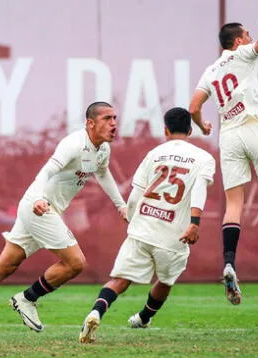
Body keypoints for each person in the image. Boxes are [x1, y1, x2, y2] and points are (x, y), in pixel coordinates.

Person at [0, 102, 127, 334]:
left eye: (115, 118)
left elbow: (103, 173)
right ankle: (27, 299)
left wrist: (121, 205)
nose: (113, 124)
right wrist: (40, 198)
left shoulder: (102, 150)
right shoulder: (73, 144)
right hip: (38, 207)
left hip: (41, 208)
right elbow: (47, 171)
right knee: (76, 263)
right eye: (107, 119)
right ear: (90, 123)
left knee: (7, 263)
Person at [189, 12, 258, 305]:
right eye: (246, 35)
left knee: (234, 203)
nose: (251, 39)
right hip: (253, 127)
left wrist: (202, 126)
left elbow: (193, 106)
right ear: (238, 41)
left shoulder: (211, 71)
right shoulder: (243, 54)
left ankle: (229, 263)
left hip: (229, 136)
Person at [79, 107, 216, 343]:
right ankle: (143, 318)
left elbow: (136, 193)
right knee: (165, 280)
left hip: (142, 229)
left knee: (120, 280)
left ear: (165, 130)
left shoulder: (154, 153)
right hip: (173, 235)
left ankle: (95, 312)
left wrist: (130, 214)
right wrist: (194, 223)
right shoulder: (204, 158)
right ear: (190, 129)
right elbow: (199, 190)